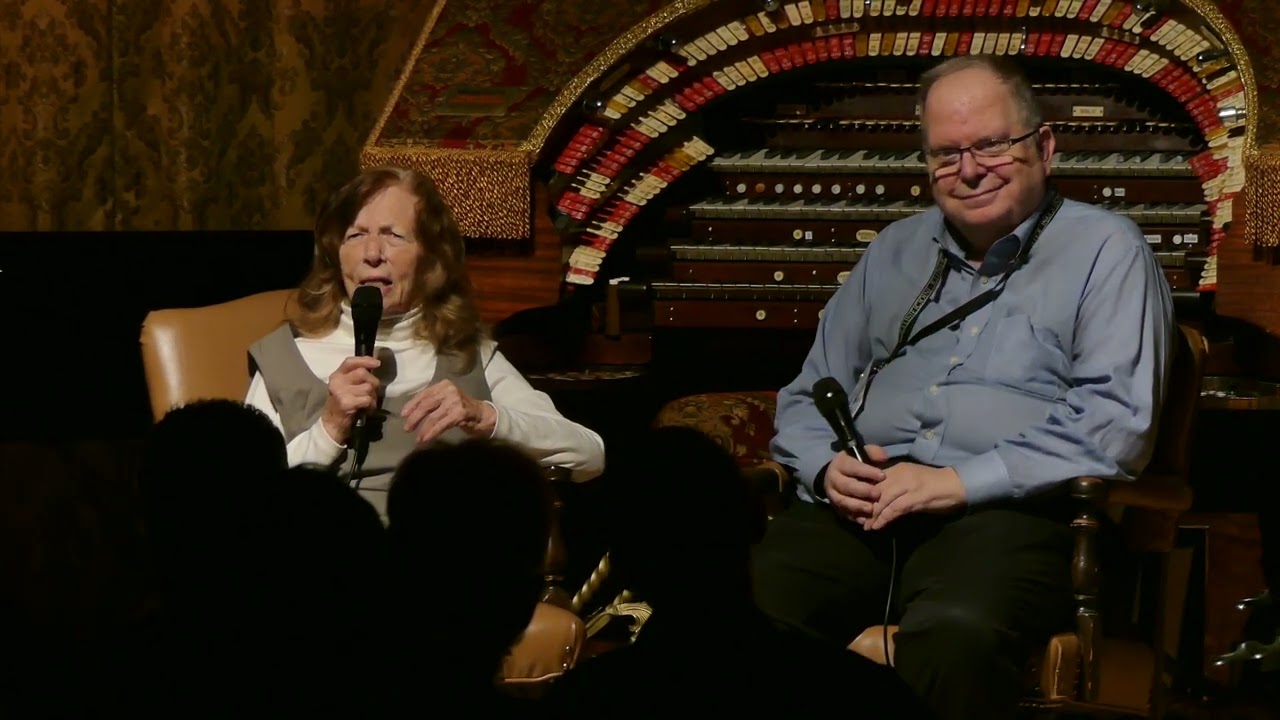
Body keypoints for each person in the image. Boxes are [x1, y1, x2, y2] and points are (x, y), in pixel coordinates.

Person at [753, 55, 1175, 720]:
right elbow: (810, 394)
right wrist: (824, 468)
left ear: (1045, 146)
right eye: (946, 154)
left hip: (1010, 517)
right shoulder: (893, 248)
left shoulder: (1106, 249)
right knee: (741, 610)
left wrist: (957, 482)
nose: (970, 170)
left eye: (992, 145)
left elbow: (1116, 422)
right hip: (861, 510)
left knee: (956, 633)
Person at [244, 165, 606, 518]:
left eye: (393, 235)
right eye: (355, 235)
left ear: (430, 258)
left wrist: (485, 417)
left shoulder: (464, 352)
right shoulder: (284, 355)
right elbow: (243, 498)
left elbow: (589, 455)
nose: (372, 253)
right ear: (335, 254)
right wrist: (329, 429)